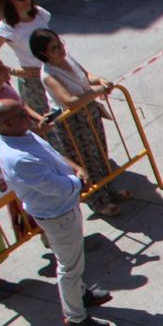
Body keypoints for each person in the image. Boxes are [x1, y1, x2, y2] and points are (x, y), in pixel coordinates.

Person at [0, 98, 115, 326]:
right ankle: (76, 319)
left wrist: (75, 167)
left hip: (63, 210)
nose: (27, 114)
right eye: (20, 114)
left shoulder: (21, 134)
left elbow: (51, 153)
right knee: (69, 267)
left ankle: (80, 294)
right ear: (6, 124)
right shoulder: (19, 157)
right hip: (57, 215)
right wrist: (78, 180)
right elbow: (55, 186)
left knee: (73, 260)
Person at [30, 28, 132, 215]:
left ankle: (110, 189)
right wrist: (96, 91)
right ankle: (98, 201)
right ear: (43, 53)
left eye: (60, 44)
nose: (60, 49)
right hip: (73, 121)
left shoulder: (67, 58)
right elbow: (69, 100)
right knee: (87, 159)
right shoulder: (48, 74)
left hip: (89, 111)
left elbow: (86, 76)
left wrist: (101, 81)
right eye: (54, 48)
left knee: (100, 152)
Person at [0, 0, 54, 116]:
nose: (27, 0)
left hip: (56, 71)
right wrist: (14, 71)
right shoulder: (6, 28)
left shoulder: (40, 13)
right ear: (8, 0)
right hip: (36, 82)